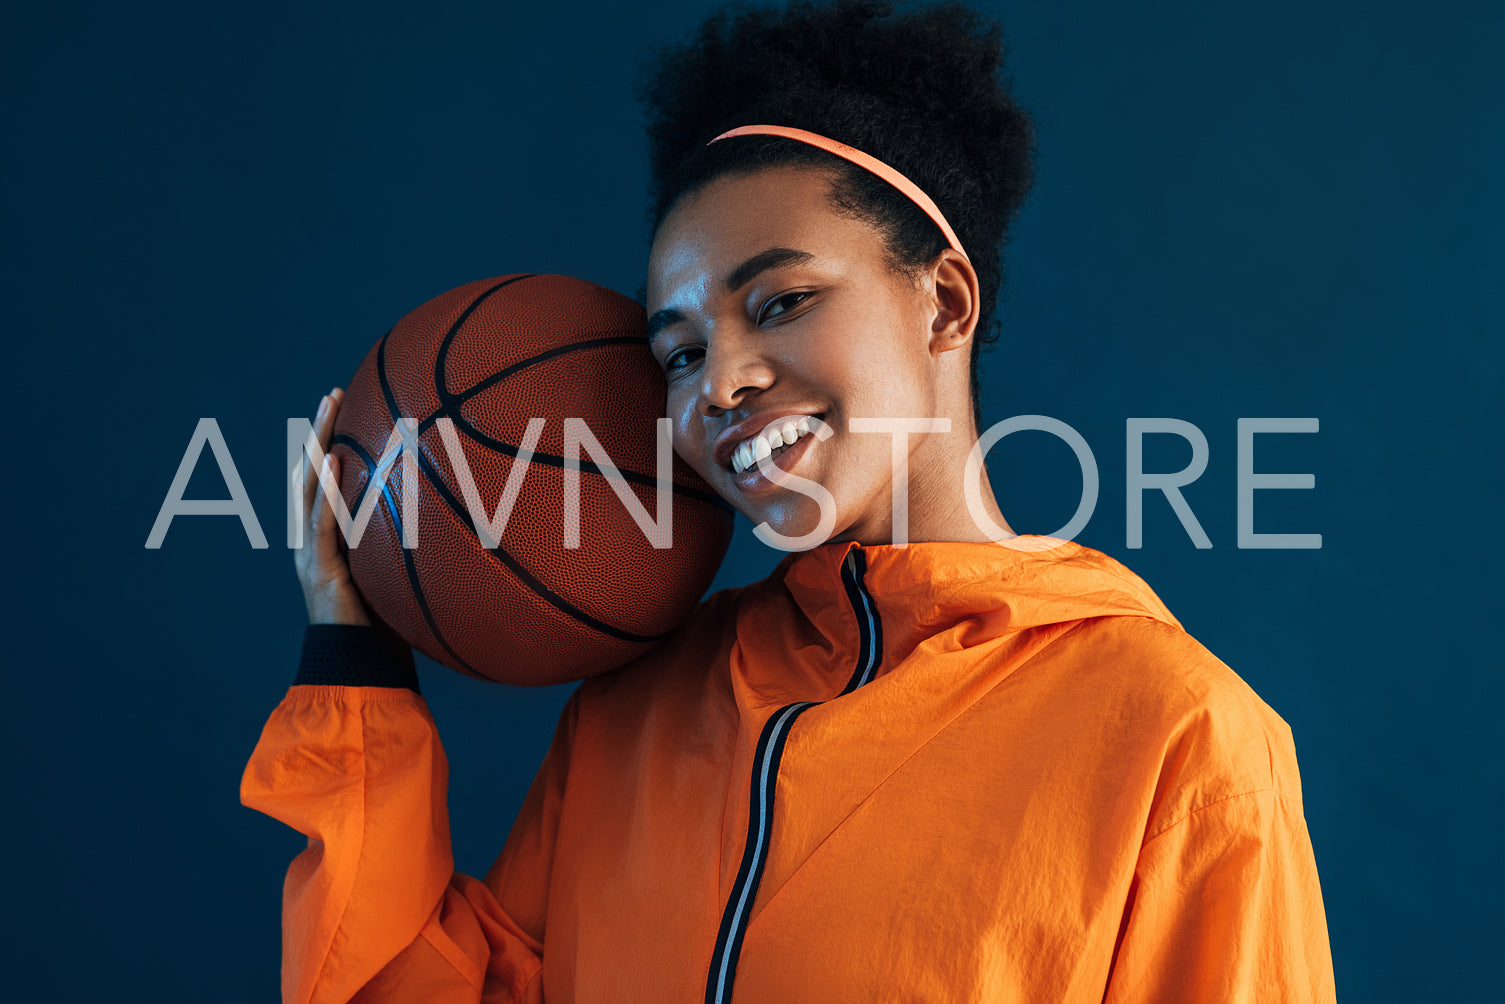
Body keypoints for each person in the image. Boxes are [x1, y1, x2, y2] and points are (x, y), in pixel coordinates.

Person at [242, 1, 1336, 1001]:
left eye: (781, 300)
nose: (717, 381)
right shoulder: (636, 712)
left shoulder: (1172, 736)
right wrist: (357, 661)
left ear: (942, 299)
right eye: (675, 352)